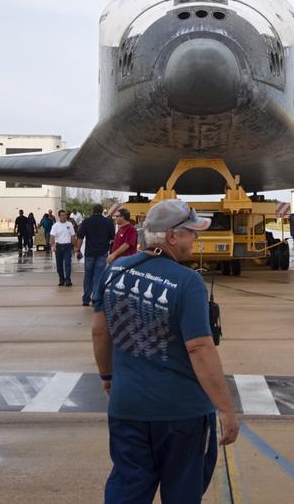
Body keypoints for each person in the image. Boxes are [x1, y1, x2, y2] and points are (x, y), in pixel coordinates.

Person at [91, 199, 239, 503]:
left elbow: (99, 331)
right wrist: (225, 408)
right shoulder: (188, 281)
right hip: (181, 415)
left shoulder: (115, 271)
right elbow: (199, 347)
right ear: (172, 236)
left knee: (127, 488)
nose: (195, 240)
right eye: (191, 233)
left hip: (127, 407)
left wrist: (107, 377)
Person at [77, 203, 115, 307]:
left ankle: (86, 299)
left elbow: (80, 237)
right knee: (99, 276)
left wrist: (78, 250)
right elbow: (112, 238)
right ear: (102, 211)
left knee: (88, 276)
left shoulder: (86, 221)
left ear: (93, 210)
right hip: (102, 253)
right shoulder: (108, 222)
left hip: (89, 253)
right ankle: (96, 299)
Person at [50, 209, 78, 287]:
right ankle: (61, 279)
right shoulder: (55, 225)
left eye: (65, 215)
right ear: (59, 216)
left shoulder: (69, 224)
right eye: (62, 215)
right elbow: (52, 237)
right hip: (58, 247)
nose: (64, 216)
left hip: (67, 247)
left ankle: (68, 280)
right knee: (59, 265)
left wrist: (75, 246)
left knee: (68, 264)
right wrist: (53, 246)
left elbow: (73, 236)